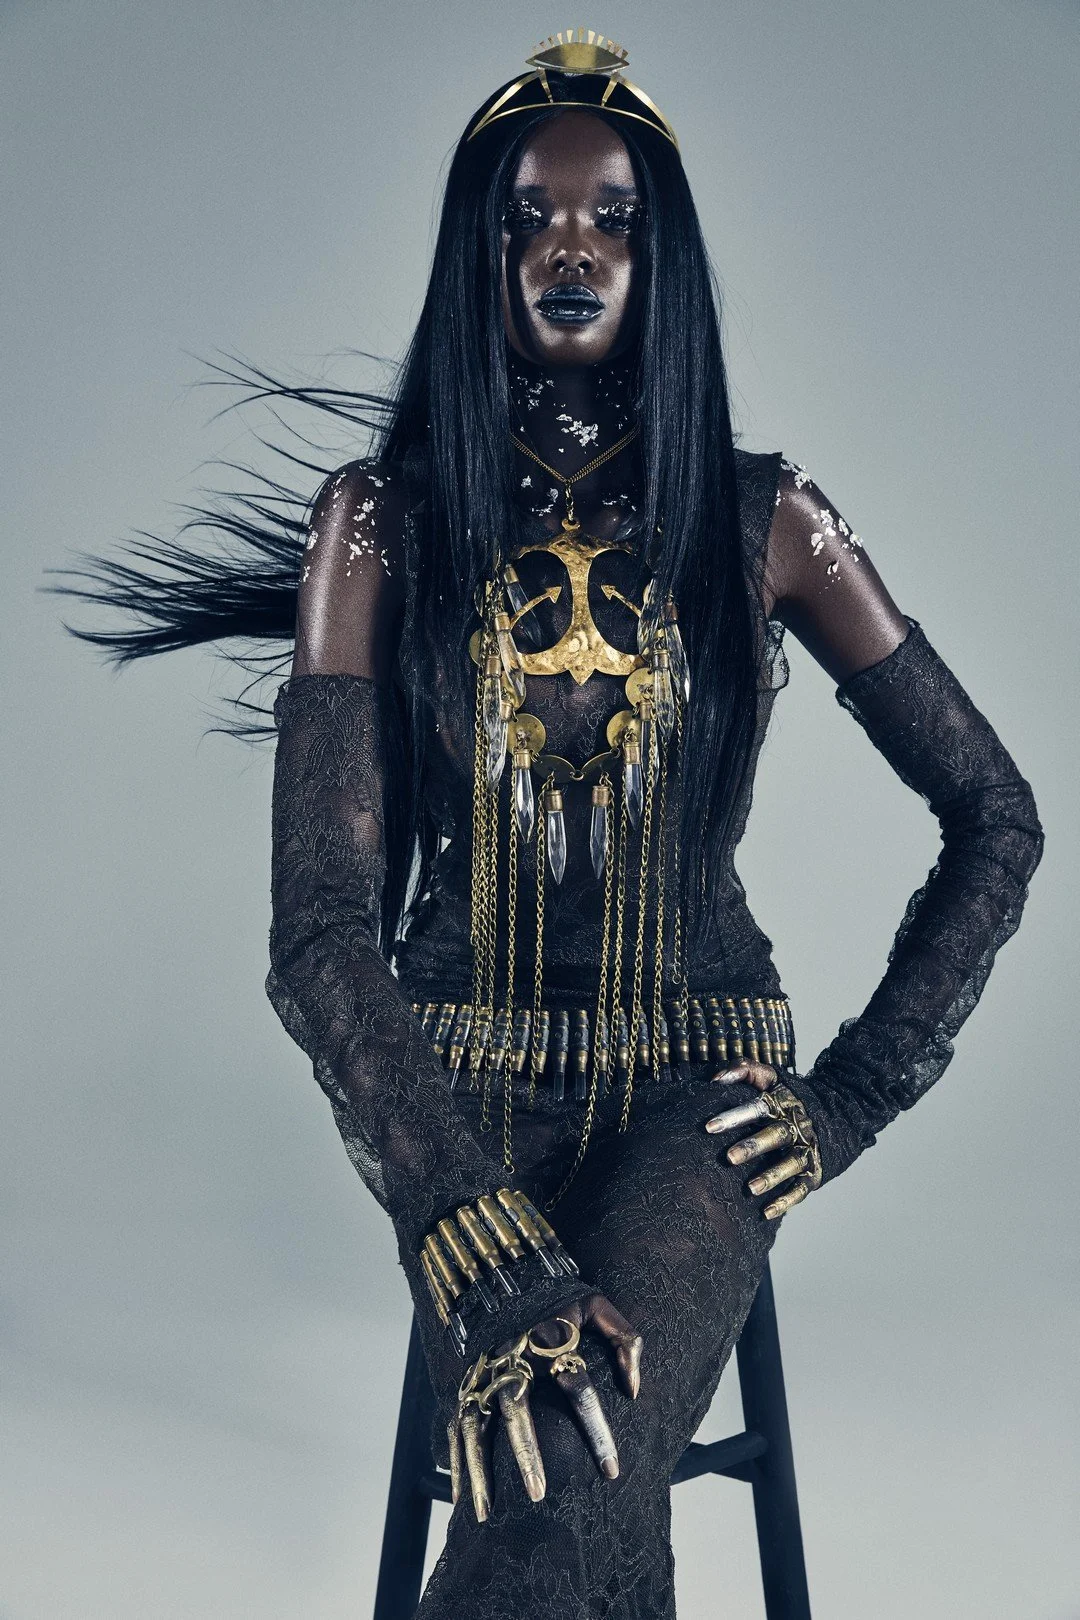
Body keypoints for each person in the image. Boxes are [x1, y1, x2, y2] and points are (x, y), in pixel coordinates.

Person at [56, 34, 1043, 1620]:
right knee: (560, 1447)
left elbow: (996, 816)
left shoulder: (766, 517)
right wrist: (456, 1206)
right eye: (528, 216)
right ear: (480, 249)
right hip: (465, 1103)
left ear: (663, 255)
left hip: (697, 1097)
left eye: (611, 216)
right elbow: (318, 931)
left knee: (558, 1462)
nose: (570, 244)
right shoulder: (373, 529)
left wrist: (850, 1100)